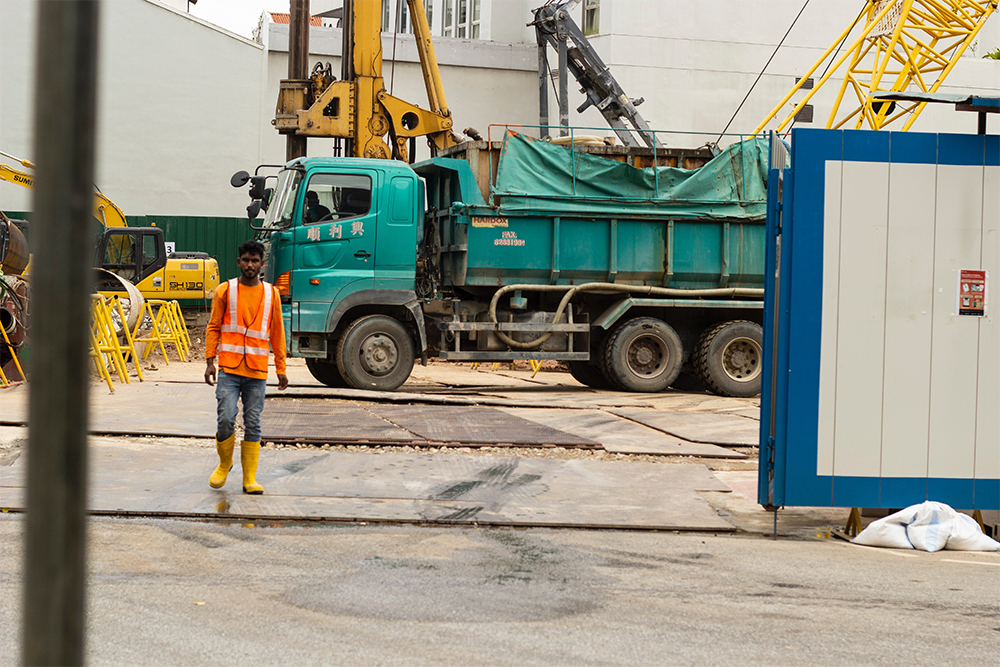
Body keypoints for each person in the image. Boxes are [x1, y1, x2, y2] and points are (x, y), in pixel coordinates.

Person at [204, 240, 288, 494]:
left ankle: (249, 478)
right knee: (226, 418)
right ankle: (224, 463)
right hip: (229, 369)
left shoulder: (271, 294)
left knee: (253, 423)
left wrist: (281, 368)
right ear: (238, 262)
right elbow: (213, 326)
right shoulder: (224, 291)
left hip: (257, 371)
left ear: (262, 264)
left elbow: (277, 333)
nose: (250, 264)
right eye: (246, 260)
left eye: (255, 260)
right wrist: (210, 360)